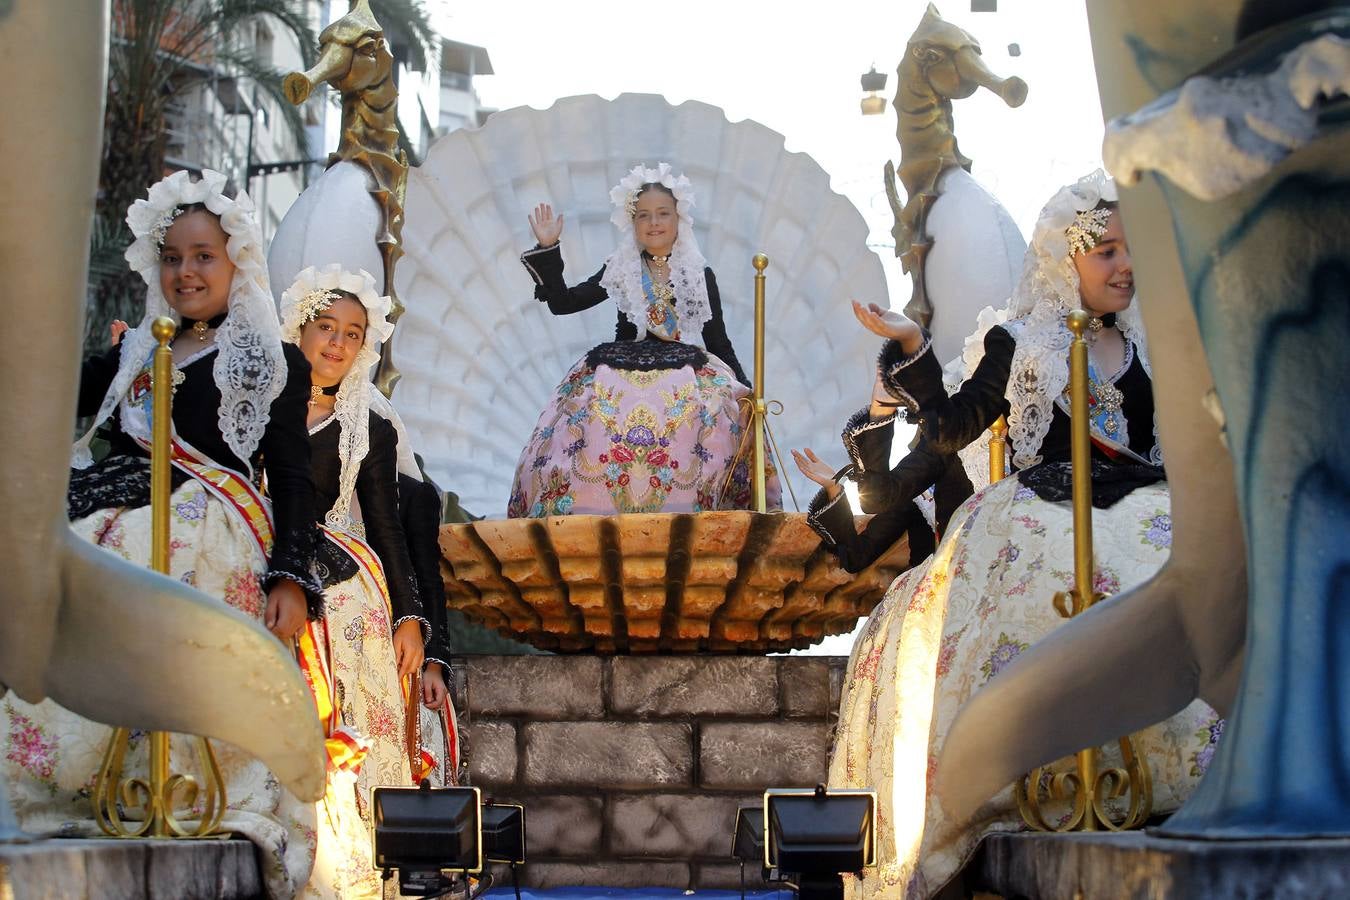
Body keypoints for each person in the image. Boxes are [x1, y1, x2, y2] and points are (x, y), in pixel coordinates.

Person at [827, 171, 1222, 898]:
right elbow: (950, 431)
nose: (1124, 266)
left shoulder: (1151, 344)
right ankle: (1037, 773)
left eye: (1132, 250)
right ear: (1063, 259)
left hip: (1145, 499)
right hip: (1041, 506)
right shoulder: (1019, 341)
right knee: (1040, 582)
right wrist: (913, 348)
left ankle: (1192, 774)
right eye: (1105, 250)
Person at [1, 170, 323, 898]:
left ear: (236, 260)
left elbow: (293, 476)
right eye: (173, 257)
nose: (186, 272)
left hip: (216, 537)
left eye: (203, 255)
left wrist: (289, 577)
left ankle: (198, 792)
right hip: (110, 523)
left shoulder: (271, 360)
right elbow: (40, 396)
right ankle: (76, 785)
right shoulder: (128, 356)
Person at [279, 264, 432, 896]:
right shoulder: (257, 398)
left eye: (351, 332)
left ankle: (350, 847)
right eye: (324, 328)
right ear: (299, 330)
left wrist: (410, 618)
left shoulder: (366, 420)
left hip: (341, 575)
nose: (337, 343)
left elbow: (387, 525)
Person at [509, 162, 777, 516]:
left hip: (685, 371)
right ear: (631, 223)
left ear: (679, 219)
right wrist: (549, 248)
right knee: (581, 419)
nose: (654, 223)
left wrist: (748, 393)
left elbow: (718, 342)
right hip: (618, 368)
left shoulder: (698, 274)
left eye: (663, 213)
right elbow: (564, 303)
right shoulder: (620, 267)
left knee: (716, 420)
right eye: (644, 215)